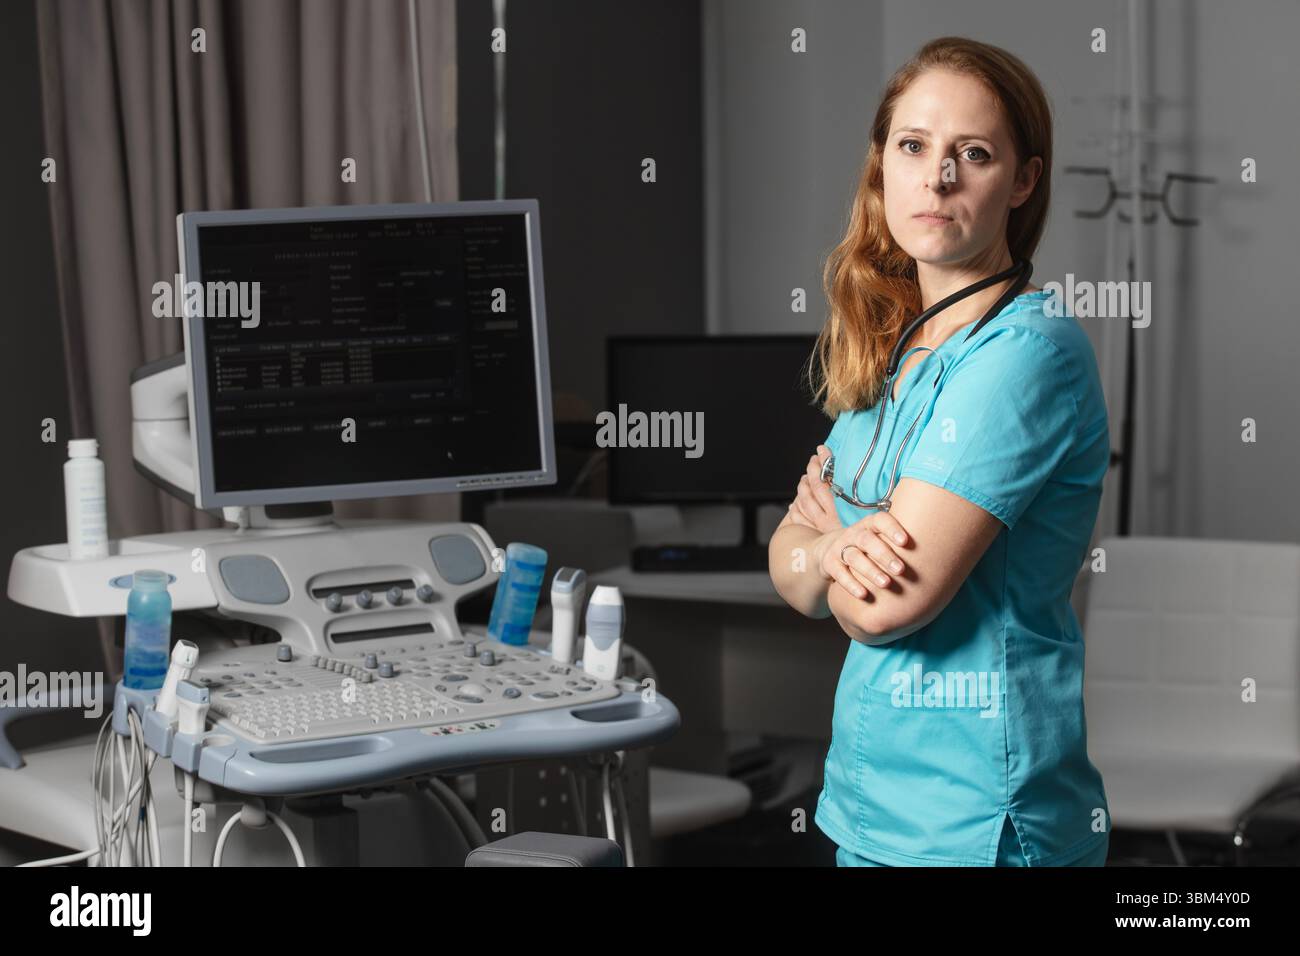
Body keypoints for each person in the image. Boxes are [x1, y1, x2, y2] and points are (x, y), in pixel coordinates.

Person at [767, 36, 1111, 867]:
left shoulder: (1028, 355)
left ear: (1022, 181)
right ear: (882, 164)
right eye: (913, 146)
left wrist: (828, 548)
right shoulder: (893, 349)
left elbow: (880, 608)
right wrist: (834, 549)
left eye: (975, 154)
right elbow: (783, 560)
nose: (938, 177)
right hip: (867, 806)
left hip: (979, 823)